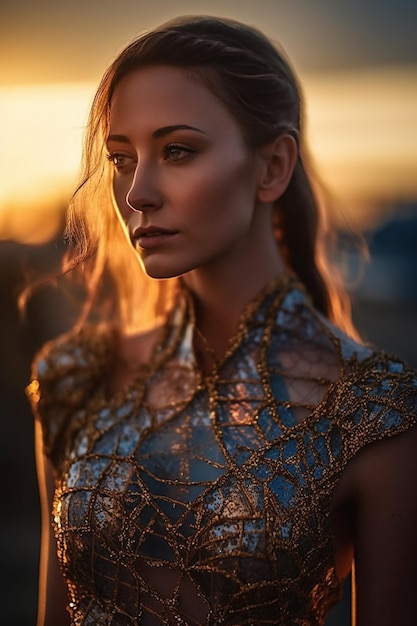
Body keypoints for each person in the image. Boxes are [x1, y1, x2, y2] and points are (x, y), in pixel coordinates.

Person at [25, 15, 417, 626]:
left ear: (272, 167)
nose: (137, 193)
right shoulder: (77, 377)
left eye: (178, 150)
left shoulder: (375, 412)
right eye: (122, 159)